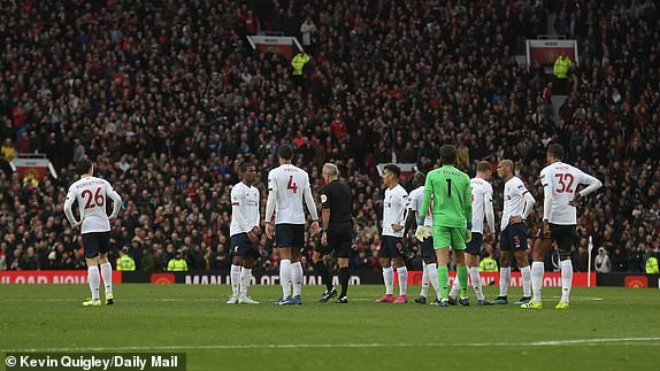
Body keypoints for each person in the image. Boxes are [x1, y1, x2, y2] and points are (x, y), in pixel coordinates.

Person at [522, 144, 602, 309]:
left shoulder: (547, 171)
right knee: (565, 256)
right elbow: (597, 183)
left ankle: (536, 300)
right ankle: (564, 299)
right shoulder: (574, 171)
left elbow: (549, 196)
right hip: (569, 220)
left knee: (537, 255)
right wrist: (579, 195)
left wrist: (545, 220)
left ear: (550, 155)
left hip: (553, 219)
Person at [63, 158, 123, 307]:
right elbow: (118, 199)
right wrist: (114, 215)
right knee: (104, 258)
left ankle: (95, 298)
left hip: (88, 226)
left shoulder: (75, 186)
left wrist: (73, 223)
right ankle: (109, 293)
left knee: (91, 262)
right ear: (91, 168)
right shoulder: (102, 182)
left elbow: (66, 207)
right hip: (104, 225)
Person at [265, 144, 319, 306]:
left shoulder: (274, 173)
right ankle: (297, 295)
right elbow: (308, 198)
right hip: (299, 220)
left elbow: (272, 197)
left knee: (285, 258)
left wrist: (267, 220)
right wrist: (315, 219)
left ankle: (286, 295)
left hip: (284, 219)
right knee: (296, 258)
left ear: (279, 157)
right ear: (292, 156)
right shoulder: (302, 174)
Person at [420, 145, 472, 307]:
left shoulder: (432, 175)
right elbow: (468, 205)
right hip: (458, 221)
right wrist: (469, 225)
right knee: (461, 261)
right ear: (455, 157)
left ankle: (443, 297)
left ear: (440, 158)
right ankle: (463, 296)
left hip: (440, 221)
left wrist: (421, 222)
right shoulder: (463, 177)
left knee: (442, 261)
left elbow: (426, 199)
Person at [448, 161, 496, 305]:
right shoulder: (486, 186)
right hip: (474, 227)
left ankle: (480, 298)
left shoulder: (464, 182)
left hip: (459, 225)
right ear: (487, 172)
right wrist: (492, 230)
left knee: (473, 263)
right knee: (468, 263)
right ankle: (452, 294)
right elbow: (488, 210)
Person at [493, 159, 536, 305]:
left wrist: (522, 217)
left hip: (515, 227)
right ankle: (502, 295)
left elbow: (530, 200)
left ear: (507, 168)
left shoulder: (516, 182)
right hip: (506, 227)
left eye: (499, 167)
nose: (497, 170)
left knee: (521, 258)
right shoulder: (507, 185)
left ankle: (526, 296)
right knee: (503, 259)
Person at [315, 163, 354, 303]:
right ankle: (343, 295)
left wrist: (324, 231)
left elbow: (326, 210)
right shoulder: (347, 188)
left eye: (324, 176)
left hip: (333, 227)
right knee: (343, 261)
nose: (323, 178)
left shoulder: (327, 189)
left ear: (328, 175)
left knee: (316, 257)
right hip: (347, 227)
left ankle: (330, 287)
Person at [227, 162, 261, 305]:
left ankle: (243, 295)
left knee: (249, 261)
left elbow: (257, 211)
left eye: (254, 170)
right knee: (237, 260)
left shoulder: (256, 191)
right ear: (242, 173)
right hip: (239, 230)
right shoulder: (237, 189)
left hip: (251, 230)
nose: (254, 173)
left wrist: (256, 225)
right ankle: (234, 295)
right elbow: (237, 212)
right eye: (250, 170)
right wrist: (247, 230)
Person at [376, 164, 410, 303]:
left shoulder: (400, 192)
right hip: (386, 232)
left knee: (398, 261)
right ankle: (389, 294)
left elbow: (409, 210)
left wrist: (402, 226)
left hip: (396, 234)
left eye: (385, 174)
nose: (383, 177)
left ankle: (403, 295)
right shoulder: (387, 191)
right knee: (385, 261)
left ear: (392, 176)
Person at [408, 171, 441, 305]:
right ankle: (423, 294)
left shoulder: (415, 193)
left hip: (426, 228)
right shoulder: (434, 191)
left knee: (429, 260)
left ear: (416, 181)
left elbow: (410, 216)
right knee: (426, 260)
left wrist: (405, 233)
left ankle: (440, 296)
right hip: (439, 227)